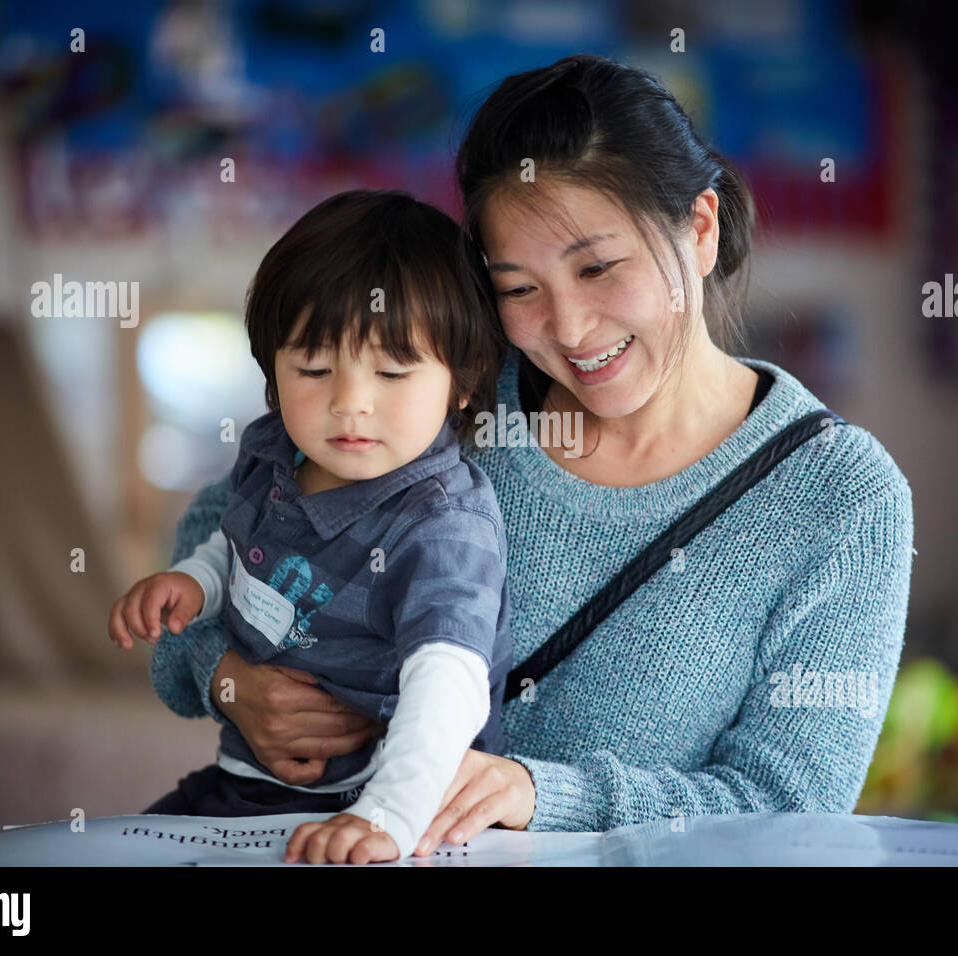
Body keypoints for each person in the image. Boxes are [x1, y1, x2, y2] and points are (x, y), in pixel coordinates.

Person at [148, 53, 915, 859]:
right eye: (518, 288)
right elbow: (230, 527)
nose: (572, 328)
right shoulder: (452, 389)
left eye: (598, 267)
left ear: (699, 229)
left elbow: (793, 808)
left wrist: (541, 793)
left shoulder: (842, 497)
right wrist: (227, 681)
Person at [109, 189, 514, 864]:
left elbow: (450, 683)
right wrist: (193, 582)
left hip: (365, 811)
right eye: (315, 368)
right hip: (243, 787)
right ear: (272, 369)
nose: (350, 403)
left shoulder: (443, 523)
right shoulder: (276, 451)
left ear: (465, 382)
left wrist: (385, 817)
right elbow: (237, 542)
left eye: (390, 370)